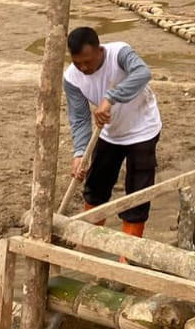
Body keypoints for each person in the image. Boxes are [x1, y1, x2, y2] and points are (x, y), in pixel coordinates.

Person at [64, 26, 162, 242]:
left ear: (100, 51)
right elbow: (79, 119)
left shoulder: (119, 53)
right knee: (96, 186)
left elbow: (143, 73)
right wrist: (80, 153)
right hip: (109, 133)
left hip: (142, 128)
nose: (83, 67)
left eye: (87, 61)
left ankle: (128, 251)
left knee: (137, 192)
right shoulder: (71, 78)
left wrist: (110, 98)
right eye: (77, 62)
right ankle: (91, 242)